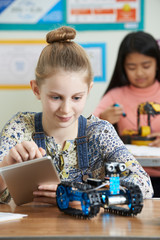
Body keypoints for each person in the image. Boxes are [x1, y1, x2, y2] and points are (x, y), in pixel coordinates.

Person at [0, 26, 153, 205]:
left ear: (88, 90)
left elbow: (144, 185)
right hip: (31, 230)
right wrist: (5, 167)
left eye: (76, 98)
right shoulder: (19, 127)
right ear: (36, 90)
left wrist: (87, 194)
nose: (66, 109)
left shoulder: (99, 132)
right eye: (56, 97)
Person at [94, 31, 160, 197]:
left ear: (157, 64)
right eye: (132, 67)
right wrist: (103, 119)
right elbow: (86, 128)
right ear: (123, 67)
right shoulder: (115, 96)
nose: (139, 73)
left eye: (146, 66)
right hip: (126, 177)